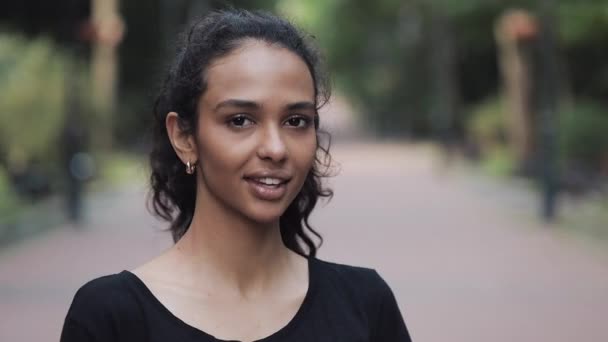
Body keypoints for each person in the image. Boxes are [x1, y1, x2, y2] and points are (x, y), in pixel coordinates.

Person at [60, 9, 412, 342]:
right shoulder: (111, 318)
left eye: (296, 121)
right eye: (240, 120)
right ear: (184, 137)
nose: (276, 148)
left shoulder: (365, 305)